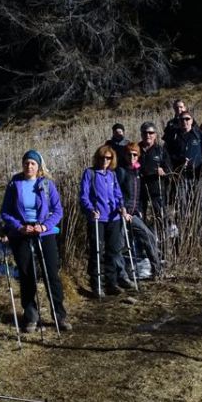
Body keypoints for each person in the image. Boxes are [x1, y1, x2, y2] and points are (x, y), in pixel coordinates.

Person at [0, 150, 69, 332]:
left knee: (51, 274)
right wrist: (19, 226)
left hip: (44, 233)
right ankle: (31, 316)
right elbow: (5, 212)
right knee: (26, 274)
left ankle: (59, 315)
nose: (29, 166)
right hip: (21, 233)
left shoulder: (47, 184)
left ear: (39, 166)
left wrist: (45, 226)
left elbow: (58, 210)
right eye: (26, 163)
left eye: (33, 163)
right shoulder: (15, 184)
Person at [78, 145, 129, 295]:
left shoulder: (112, 175)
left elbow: (118, 194)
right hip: (97, 218)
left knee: (113, 251)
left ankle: (111, 283)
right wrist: (90, 209)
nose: (105, 161)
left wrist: (122, 207)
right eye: (102, 157)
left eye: (108, 158)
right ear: (97, 158)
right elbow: (84, 195)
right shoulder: (90, 173)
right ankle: (96, 284)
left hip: (114, 217)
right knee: (97, 250)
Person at [115, 143, 162, 279]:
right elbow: (116, 193)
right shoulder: (121, 171)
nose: (132, 157)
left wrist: (138, 210)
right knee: (120, 244)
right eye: (129, 154)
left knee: (149, 236)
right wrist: (122, 209)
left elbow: (138, 195)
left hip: (134, 213)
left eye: (135, 154)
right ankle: (120, 276)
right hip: (121, 213)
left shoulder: (137, 172)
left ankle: (157, 270)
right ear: (125, 155)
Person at [164, 107, 202, 181]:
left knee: (196, 192)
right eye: (182, 119)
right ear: (179, 122)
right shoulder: (174, 135)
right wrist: (179, 159)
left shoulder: (199, 134)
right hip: (178, 174)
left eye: (187, 119)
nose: (184, 121)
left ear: (192, 121)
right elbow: (166, 153)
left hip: (197, 173)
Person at [137, 121, 171, 225]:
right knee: (139, 217)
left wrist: (163, 171)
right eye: (145, 132)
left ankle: (162, 237)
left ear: (155, 135)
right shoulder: (135, 149)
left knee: (160, 217)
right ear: (141, 134)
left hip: (157, 188)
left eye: (151, 133)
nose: (148, 135)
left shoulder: (160, 150)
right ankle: (143, 239)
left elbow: (169, 168)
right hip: (139, 189)